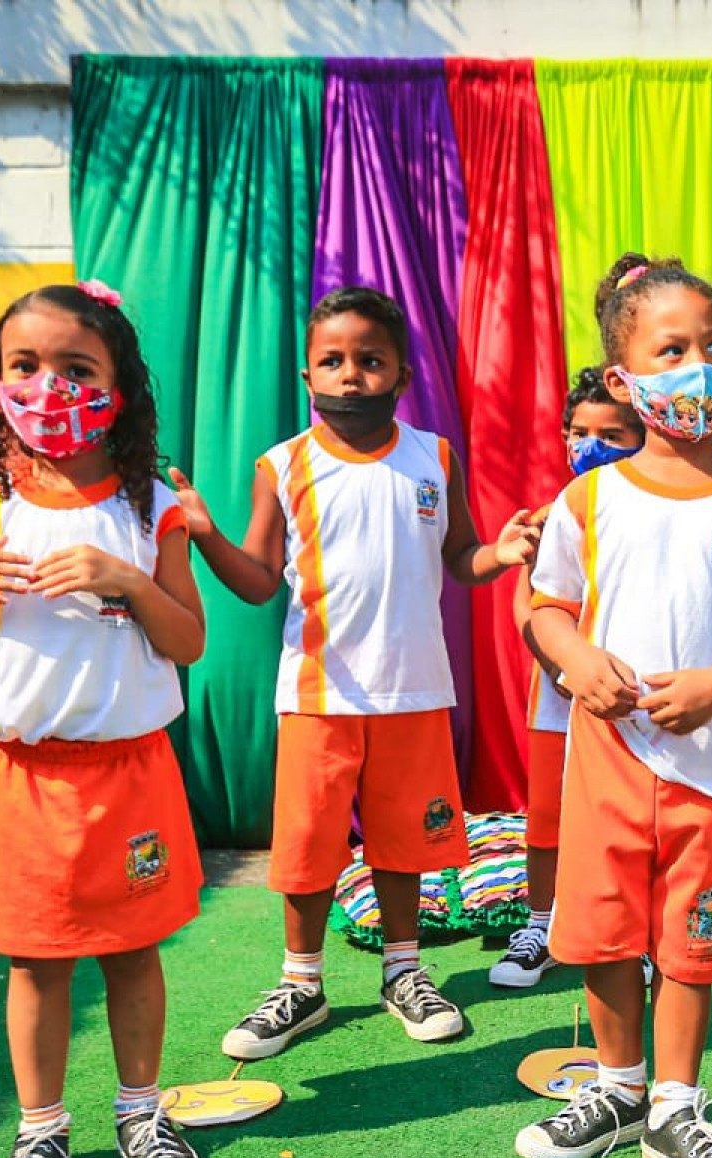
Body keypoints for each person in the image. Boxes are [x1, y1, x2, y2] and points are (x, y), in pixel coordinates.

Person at [514, 254, 712, 1158]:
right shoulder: (588, 499)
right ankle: (617, 1088)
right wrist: (575, 659)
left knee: (694, 940)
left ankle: (677, 1107)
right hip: (606, 763)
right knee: (605, 934)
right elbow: (544, 607)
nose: (702, 366)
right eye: (673, 349)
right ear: (624, 379)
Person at [171, 286, 539, 1057]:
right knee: (307, 845)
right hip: (317, 695)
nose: (350, 376)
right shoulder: (283, 466)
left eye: (369, 361)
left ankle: (404, 971)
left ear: (401, 374)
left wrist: (498, 555)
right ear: (307, 378)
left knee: (406, 842)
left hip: (413, 691)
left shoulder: (434, 456)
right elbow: (260, 579)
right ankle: (301, 983)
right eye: (331, 361)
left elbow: (460, 557)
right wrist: (205, 535)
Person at [0, 280, 208, 1158]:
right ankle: (40, 1133)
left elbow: (188, 641)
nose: (48, 387)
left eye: (76, 368)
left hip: (130, 775)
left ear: (118, 387)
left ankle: (142, 1114)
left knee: (131, 952)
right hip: (26, 780)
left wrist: (126, 577)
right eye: (25, 367)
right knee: (35, 963)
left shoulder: (151, 506)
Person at [492, 366, 645, 989]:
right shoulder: (552, 514)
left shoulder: (653, 509)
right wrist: (559, 665)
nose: (589, 445)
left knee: (627, 817)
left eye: (610, 433)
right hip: (556, 699)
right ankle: (541, 923)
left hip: (630, 696)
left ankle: (632, 936)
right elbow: (527, 604)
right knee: (548, 817)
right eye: (578, 432)